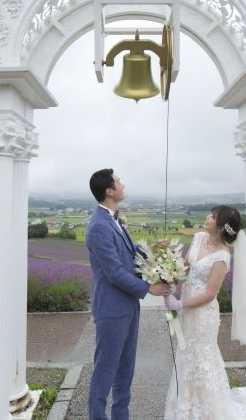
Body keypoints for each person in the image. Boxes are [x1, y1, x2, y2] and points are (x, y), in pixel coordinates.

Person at [86, 168, 172, 420]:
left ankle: (120, 416)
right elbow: (113, 272)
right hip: (111, 310)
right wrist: (149, 288)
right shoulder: (98, 226)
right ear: (109, 191)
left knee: (125, 368)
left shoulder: (114, 218)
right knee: (105, 371)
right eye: (119, 182)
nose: (123, 185)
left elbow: (128, 250)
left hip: (128, 305)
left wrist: (153, 249)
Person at [162, 205, 246, 420]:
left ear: (221, 228)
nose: (207, 218)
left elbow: (211, 293)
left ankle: (210, 411)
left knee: (203, 357)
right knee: (186, 353)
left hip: (203, 315)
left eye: (212, 217)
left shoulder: (222, 256)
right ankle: (186, 408)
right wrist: (171, 278)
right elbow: (184, 267)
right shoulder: (199, 238)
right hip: (187, 310)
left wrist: (179, 305)